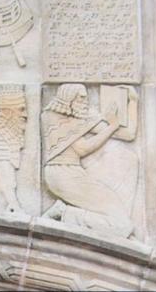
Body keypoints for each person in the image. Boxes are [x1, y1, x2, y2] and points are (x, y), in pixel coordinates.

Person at [41, 84, 137, 238]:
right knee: (122, 224)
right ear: (68, 97)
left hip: (73, 173)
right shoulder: (52, 117)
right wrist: (112, 126)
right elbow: (82, 148)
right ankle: (63, 213)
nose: (85, 101)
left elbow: (128, 134)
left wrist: (133, 102)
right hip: (62, 174)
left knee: (121, 220)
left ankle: (65, 213)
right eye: (81, 97)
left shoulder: (84, 117)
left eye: (86, 97)